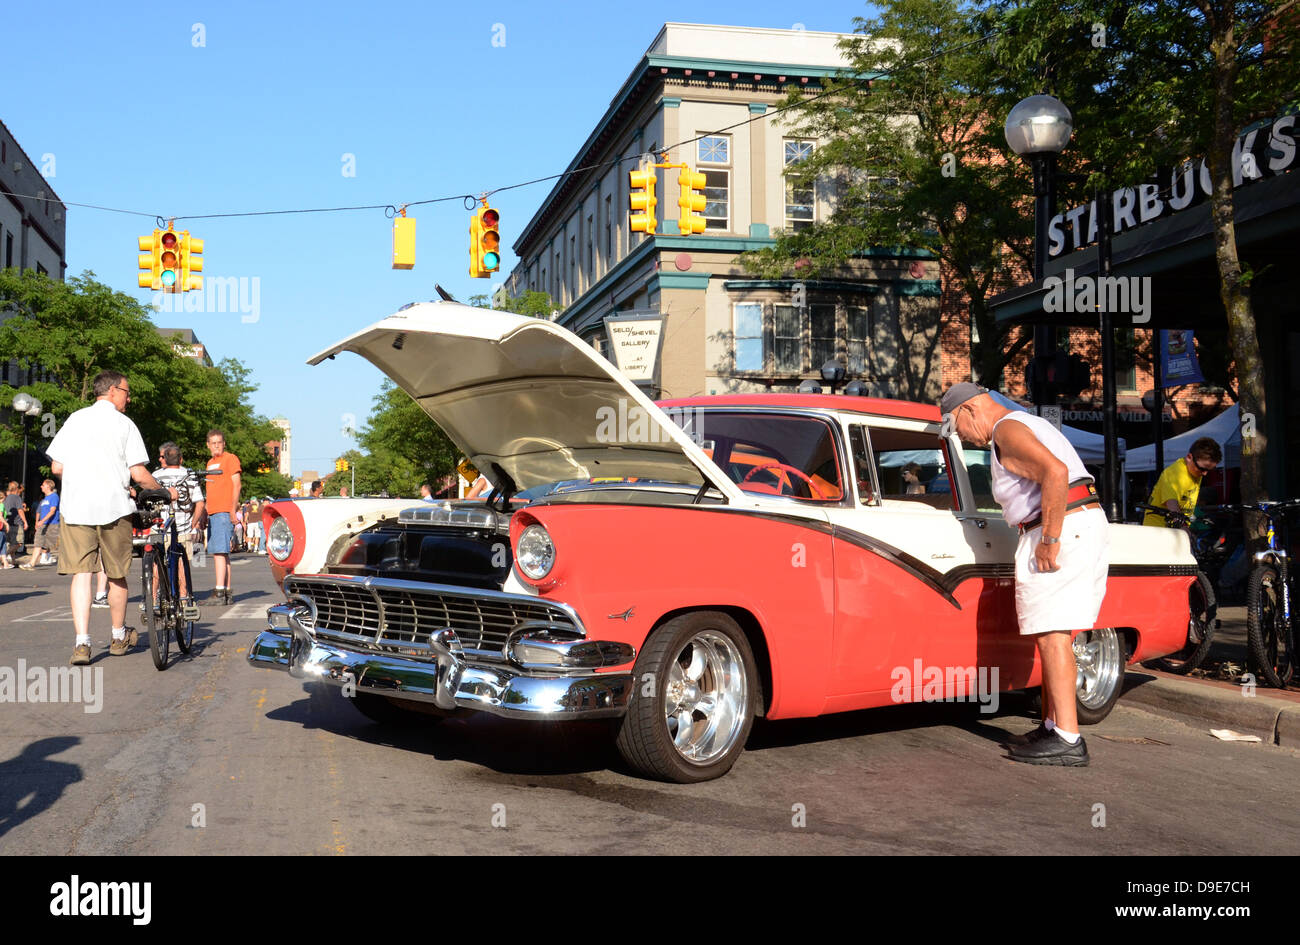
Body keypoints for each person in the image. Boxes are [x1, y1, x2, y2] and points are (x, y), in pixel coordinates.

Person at [941, 382, 1108, 766]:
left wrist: (1050, 538)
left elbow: (1055, 472)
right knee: (1053, 632)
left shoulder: (1006, 430)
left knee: (1052, 634)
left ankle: (1068, 738)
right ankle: (1053, 725)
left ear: (968, 410)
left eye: (956, 427)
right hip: (1075, 521)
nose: (963, 436)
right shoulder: (1022, 424)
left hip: (1059, 525)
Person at [46, 371, 176, 665]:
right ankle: (118, 636)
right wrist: (163, 490)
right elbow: (138, 473)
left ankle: (82, 644)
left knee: (82, 575)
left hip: (76, 507)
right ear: (114, 391)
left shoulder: (75, 420)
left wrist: (85, 475)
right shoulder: (124, 424)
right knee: (116, 573)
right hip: (114, 508)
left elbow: (56, 467)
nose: (129, 398)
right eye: (127, 392)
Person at [151, 442, 205, 608]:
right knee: (182, 561)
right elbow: (200, 504)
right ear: (181, 459)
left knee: (156, 562)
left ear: (165, 459)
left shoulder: (156, 476)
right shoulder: (189, 475)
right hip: (182, 527)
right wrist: (192, 522)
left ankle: (152, 600)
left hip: (160, 526)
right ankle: (182, 598)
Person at [1142, 437, 1222, 528]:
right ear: (1189, 457)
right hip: (1158, 530)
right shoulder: (1174, 473)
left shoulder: (1195, 472)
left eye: (1209, 470)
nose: (1205, 474)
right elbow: (1172, 503)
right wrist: (1183, 527)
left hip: (1174, 529)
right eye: (1202, 468)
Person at [203, 429, 242, 605]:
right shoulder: (210, 463)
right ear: (208, 445)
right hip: (213, 511)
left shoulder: (230, 459)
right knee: (222, 553)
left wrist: (232, 510)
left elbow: (237, 485)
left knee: (219, 552)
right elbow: (210, 490)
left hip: (224, 511)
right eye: (213, 443)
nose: (216, 445)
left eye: (219, 442)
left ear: (224, 443)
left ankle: (219, 592)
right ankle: (226, 591)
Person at [21, 479, 61, 569]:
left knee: (48, 545)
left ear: (48, 486)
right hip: (43, 524)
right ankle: (31, 563)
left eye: (43, 485)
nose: (41, 486)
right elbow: (39, 511)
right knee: (38, 543)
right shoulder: (44, 499)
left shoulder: (54, 497)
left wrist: (42, 521)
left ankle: (44, 558)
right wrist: (37, 522)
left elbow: (52, 511)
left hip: (51, 524)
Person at [4, 481, 27, 559]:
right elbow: (20, 510)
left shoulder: (6, 498)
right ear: (16, 488)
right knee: (19, 543)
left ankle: (13, 561)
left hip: (8, 523)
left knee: (12, 543)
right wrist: (25, 522)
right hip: (17, 523)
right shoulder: (17, 497)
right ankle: (4, 555)